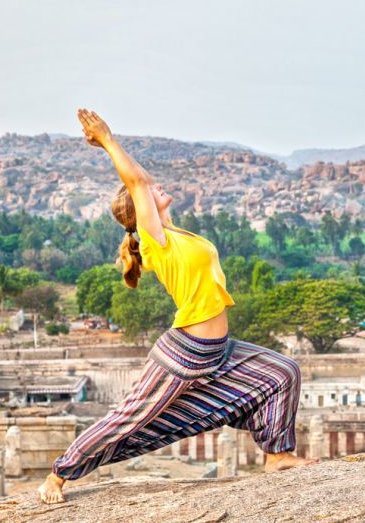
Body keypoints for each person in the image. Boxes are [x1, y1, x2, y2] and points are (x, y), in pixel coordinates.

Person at [37, 109, 317, 504]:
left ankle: (277, 456)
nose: (155, 185)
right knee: (131, 418)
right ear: (140, 210)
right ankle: (59, 475)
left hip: (220, 349)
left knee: (283, 373)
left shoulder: (174, 234)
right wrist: (107, 139)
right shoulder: (155, 241)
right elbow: (136, 180)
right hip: (187, 351)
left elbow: (143, 182)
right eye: (149, 192)